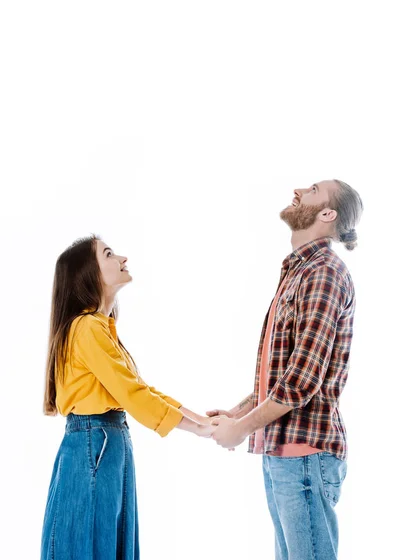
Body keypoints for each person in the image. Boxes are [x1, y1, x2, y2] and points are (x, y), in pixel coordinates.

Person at [208, 179, 363, 560]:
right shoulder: (299, 271)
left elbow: (301, 381)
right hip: (285, 453)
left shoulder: (323, 273)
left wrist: (240, 430)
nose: (297, 189)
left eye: (311, 189)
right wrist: (238, 413)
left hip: (305, 456)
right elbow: (285, 375)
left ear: (327, 214)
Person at [40, 235, 216, 560]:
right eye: (109, 254)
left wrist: (203, 422)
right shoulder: (86, 329)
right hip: (97, 444)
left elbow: (140, 389)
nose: (123, 257)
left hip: (106, 443)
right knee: (92, 545)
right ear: (89, 274)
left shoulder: (99, 328)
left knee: (104, 544)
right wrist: (200, 429)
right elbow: (134, 395)